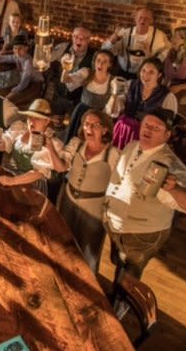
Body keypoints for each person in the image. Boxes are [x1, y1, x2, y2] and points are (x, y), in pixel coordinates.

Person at [104, 107, 186, 282]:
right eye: (146, 124)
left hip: (141, 235)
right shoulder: (131, 146)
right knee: (118, 266)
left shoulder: (171, 164)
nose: (148, 130)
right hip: (116, 227)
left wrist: (174, 189)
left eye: (156, 128)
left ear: (167, 135)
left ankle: (123, 307)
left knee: (129, 280)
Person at [55, 109, 119, 273]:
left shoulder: (112, 154)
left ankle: (87, 287)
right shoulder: (76, 144)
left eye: (95, 125)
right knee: (62, 242)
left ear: (105, 129)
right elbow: (61, 167)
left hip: (94, 209)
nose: (89, 129)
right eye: (86, 124)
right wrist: (49, 146)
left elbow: (120, 185)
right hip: (68, 201)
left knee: (89, 251)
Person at [0, 99, 66, 195]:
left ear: (46, 121)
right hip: (9, 176)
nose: (31, 121)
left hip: (31, 187)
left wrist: (12, 181)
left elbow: (38, 173)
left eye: (37, 118)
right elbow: (3, 146)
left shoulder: (50, 142)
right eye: (30, 117)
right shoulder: (20, 128)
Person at [107, 57, 177, 149]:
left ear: (159, 75)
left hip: (146, 135)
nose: (145, 75)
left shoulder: (167, 96)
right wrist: (114, 94)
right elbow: (113, 112)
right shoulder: (130, 85)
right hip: (123, 131)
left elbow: (166, 125)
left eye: (151, 72)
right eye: (143, 70)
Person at [61, 49, 117, 142]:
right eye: (98, 60)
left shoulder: (113, 81)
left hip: (99, 118)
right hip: (82, 114)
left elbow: (112, 109)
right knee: (75, 140)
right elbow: (64, 80)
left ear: (109, 64)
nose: (100, 64)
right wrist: (65, 69)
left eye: (104, 61)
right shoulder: (87, 73)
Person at [102, 7, 170, 79]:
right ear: (135, 18)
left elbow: (167, 51)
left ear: (151, 21)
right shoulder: (125, 33)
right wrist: (112, 40)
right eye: (140, 17)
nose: (143, 20)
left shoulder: (159, 36)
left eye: (146, 18)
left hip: (145, 77)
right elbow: (104, 51)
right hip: (123, 73)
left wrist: (151, 57)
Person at [46, 27, 96, 117]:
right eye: (76, 36)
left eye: (83, 38)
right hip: (58, 94)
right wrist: (47, 49)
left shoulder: (93, 56)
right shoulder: (63, 47)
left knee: (73, 125)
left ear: (88, 40)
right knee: (55, 121)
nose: (78, 40)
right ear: (72, 37)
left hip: (77, 99)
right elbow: (46, 59)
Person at [0, 34, 44, 108]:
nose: (17, 51)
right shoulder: (18, 57)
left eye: (20, 48)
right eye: (15, 48)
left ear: (26, 48)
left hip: (34, 86)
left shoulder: (28, 62)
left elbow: (24, 83)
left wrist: (12, 92)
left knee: (7, 100)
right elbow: (6, 58)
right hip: (22, 83)